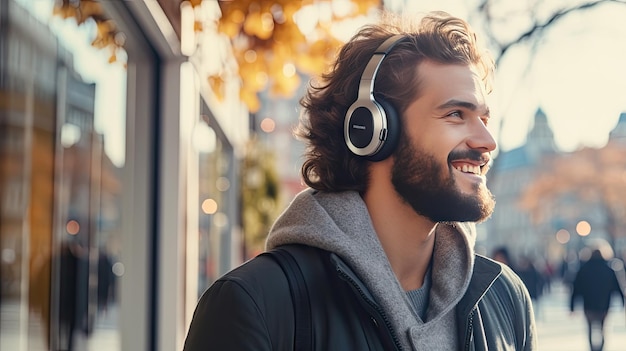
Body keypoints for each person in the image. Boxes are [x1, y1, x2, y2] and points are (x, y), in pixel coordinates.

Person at [184, 10, 537, 351]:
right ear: (371, 130)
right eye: (456, 114)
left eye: (484, 118)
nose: (487, 142)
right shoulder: (254, 305)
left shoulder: (506, 299)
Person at [570, 247, 625, 351]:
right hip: (604, 305)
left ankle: (592, 348)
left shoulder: (583, 269)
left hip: (588, 305)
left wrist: (572, 306)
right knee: (603, 327)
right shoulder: (609, 269)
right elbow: (617, 287)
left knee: (590, 328)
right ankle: (601, 347)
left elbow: (576, 288)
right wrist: (622, 302)